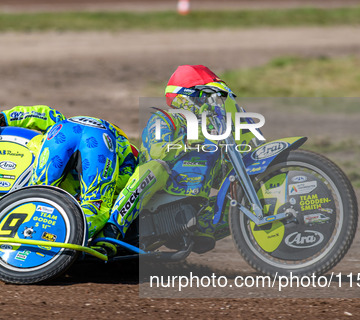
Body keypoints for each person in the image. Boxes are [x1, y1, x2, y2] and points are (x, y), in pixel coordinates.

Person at [105, 65, 257, 253]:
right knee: (155, 167)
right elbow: (157, 152)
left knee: (238, 199)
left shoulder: (211, 135)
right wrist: (189, 141)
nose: (210, 104)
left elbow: (218, 178)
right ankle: (113, 227)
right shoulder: (165, 119)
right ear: (186, 96)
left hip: (192, 205)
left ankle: (197, 234)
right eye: (204, 97)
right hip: (155, 197)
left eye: (213, 99)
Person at [0, 106, 138, 251]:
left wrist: (5, 117)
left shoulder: (63, 120)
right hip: (102, 140)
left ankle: (8, 229)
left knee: (35, 192)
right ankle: (69, 239)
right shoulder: (125, 145)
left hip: (66, 127)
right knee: (95, 205)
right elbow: (124, 182)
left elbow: (44, 114)